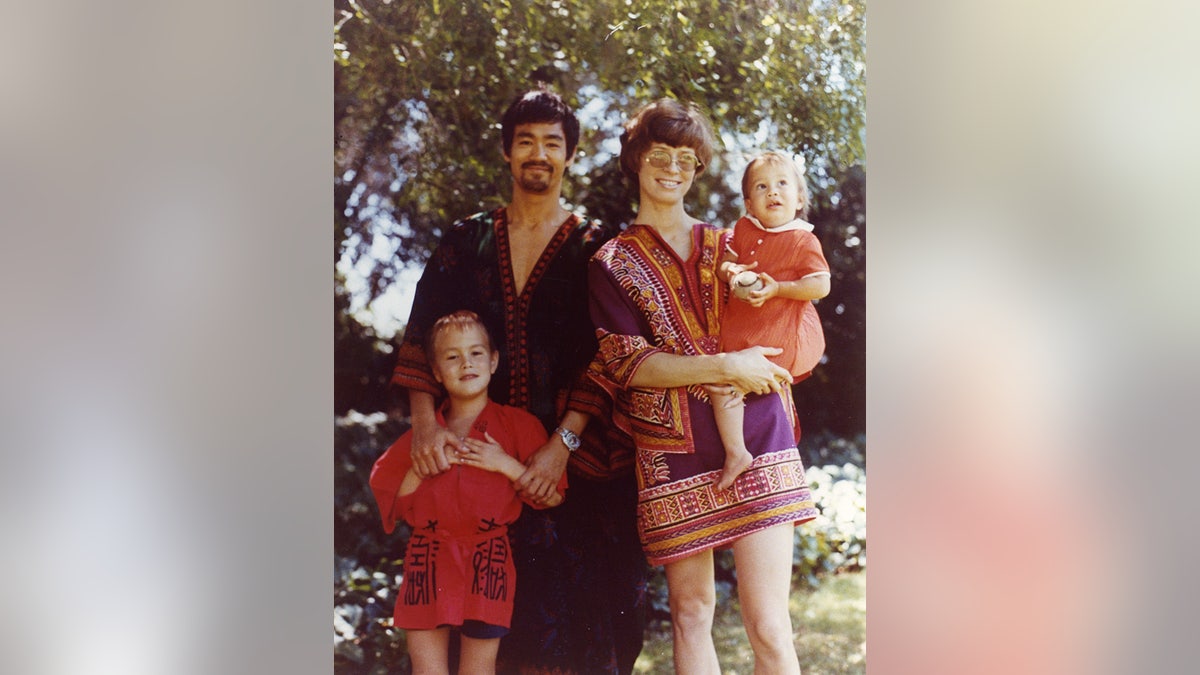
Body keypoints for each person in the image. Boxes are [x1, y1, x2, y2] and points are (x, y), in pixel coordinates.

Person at [389, 87, 646, 674]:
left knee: (588, 615)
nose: (538, 154)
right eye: (525, 142)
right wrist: (427, 427)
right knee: (483, 628)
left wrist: (562, 446)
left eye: (551, 143)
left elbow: (608, 357)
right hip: (476, 463)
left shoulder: (595, 247)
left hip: (571, 468)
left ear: (569, 156)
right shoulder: (466, 241)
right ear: (506, 153)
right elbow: (420, 333)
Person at [587, 98, 819, 674]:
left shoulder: (731, 245)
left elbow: (796, 307)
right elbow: (629, 364)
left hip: (760, 431)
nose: (673, 168)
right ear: (636, 160)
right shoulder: (611, 262)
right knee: (692, 613)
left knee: (769, 623)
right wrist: (726, 367)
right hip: (671, 451)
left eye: (687, 159)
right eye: (660, 154)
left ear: (697, 171)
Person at [370, 311, 567, 675]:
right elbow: (393, 502)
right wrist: (424, 459)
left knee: (478, 669)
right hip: (428, 557)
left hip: (487, 558)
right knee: (428, 670)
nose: (466, 363)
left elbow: (551, 496)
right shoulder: (425, 436)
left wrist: (503, 463)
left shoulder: (519, 426)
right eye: (452, 356)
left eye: (476, 353)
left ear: (493, 361)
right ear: (435, 371)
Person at [710, 151, 832, 491]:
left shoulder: (802, 239)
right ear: (749, 204)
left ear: (799, 198)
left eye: (781, 184)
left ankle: (739, 453)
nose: (772, 192)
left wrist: (779, 287)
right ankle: (738, 451)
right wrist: (732, 272)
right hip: (742, 332)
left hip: (778, 334)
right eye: (761, 187)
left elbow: (821, 283)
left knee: (729, 385)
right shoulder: (744, 229)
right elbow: (725, 262)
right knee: (722, 382)